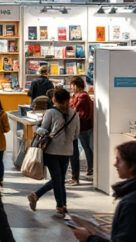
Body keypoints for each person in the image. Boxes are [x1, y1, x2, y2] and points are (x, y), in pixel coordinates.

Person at [71, 141, 136, 242]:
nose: (115, 164)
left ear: (133, 165)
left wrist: (89, 238)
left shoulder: (133, 203)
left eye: (119, 160)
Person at [28, 86, 80, 218]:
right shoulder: (74, 114)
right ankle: (62, 205)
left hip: (52, 151)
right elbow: (76, 135)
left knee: (58, 179)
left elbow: (44, 130)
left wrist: (37, 128)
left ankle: (43, 198)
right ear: (68, 99)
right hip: (67, 151)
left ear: (54, 99)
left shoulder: (51, 112)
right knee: (59, 179)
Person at [69, 76, 94, 185]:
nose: (72, 88)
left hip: (82, 126)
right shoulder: (78, 95)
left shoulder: (82, 96)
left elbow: (80, 113)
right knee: (82, 147)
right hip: (80, 126)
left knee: (84, 147)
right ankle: (87, 167)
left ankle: (90, 167)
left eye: (73, 86)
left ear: (77, 85)